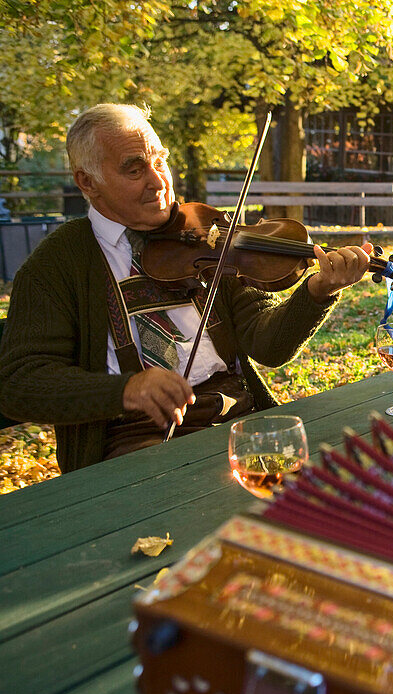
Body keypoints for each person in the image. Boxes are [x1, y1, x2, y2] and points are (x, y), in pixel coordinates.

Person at [0, 104, 373, 473]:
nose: (158, 181)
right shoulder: (58, 263)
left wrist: (318, 291)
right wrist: (126, 390)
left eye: (160, 161)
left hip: (237, 417)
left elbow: (269, 346)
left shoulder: (205, 234)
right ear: (87, 182)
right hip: (135, 441)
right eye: (134, 169)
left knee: (355, 463)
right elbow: (19, 384)